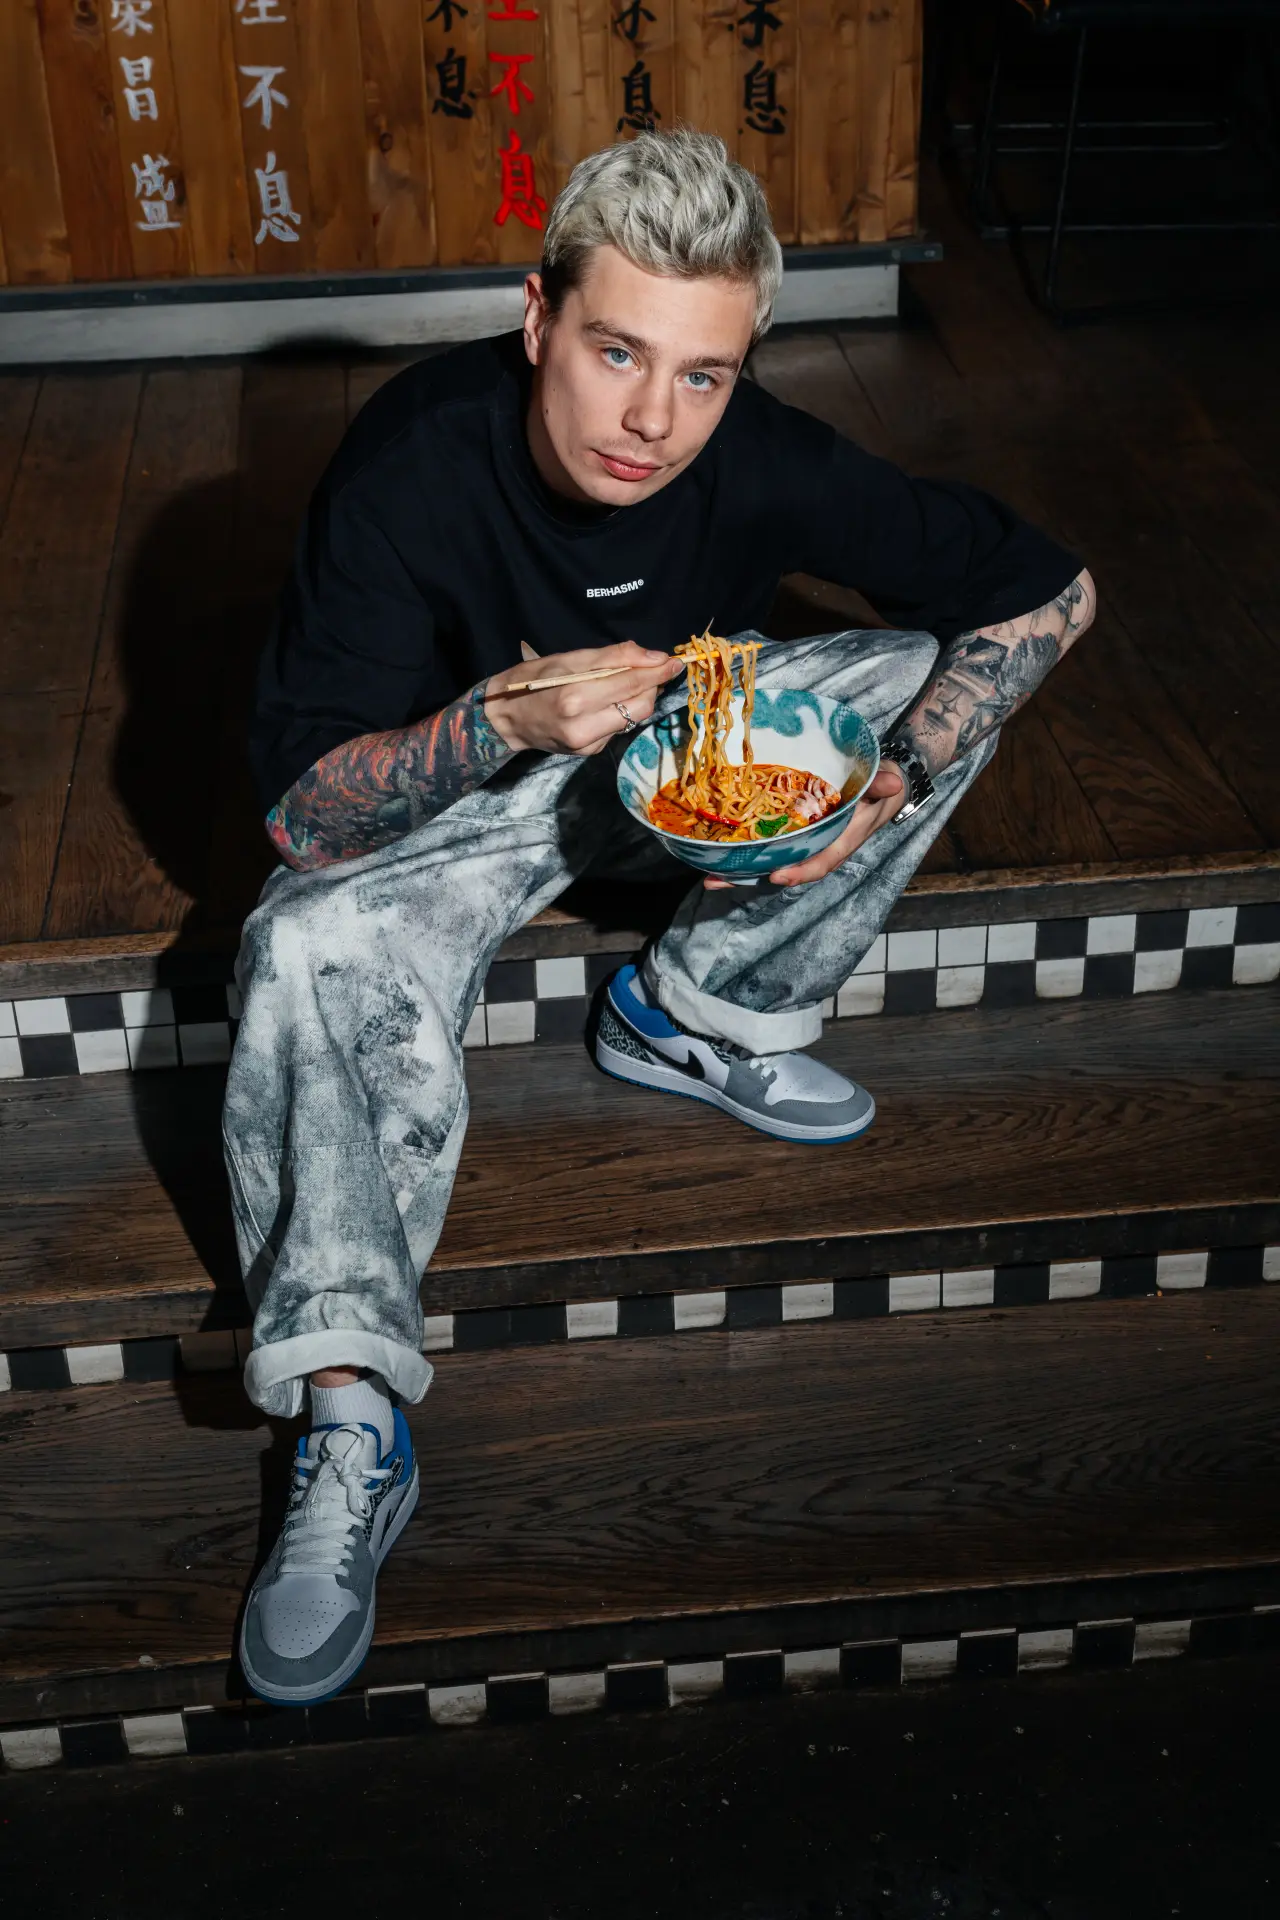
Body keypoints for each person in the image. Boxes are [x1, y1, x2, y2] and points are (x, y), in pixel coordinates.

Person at [226, 129, 1096, 1706]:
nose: (651, 420)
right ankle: (351, 1418)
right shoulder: (412, 462)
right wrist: (494, 719)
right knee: (298, 944)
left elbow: (1050, 590)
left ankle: (693, 1012)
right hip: (456, 813)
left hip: (675, 783)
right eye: (617, 351)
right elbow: (301, 824)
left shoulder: (754, 450)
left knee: (919, 682)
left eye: (702, 374)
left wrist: (890, 777)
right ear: (538, 317)